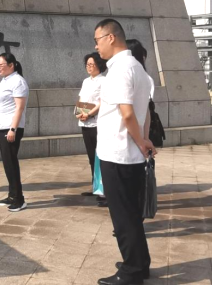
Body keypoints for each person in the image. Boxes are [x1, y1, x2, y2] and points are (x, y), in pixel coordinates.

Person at [94, 19, 157, 285]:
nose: (96, 47)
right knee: (131, 213)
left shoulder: (120, 70)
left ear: (110, 37)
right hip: (128, 154)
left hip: (118, 153)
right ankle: (140, 264)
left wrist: (141, 141)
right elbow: (145, 112)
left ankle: (132, 271)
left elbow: (128, 113)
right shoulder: (137, 68)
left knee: (123, 217)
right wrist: (143, 139)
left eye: (97, 40)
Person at [0, 53, 29, 212]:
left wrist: (13, 129)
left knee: (11, 163)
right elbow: (3, 104)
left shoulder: (18, 81)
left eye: (1, 64)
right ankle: (12, 195)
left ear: (11, 65)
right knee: (7, 163)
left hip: (10, 127)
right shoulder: (5, 80)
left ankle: (19, 199)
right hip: (1, 125)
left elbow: (19, 107)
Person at [77, 52, 107, 208]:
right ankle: (96, 186)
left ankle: (104, 191)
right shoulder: (85, 81)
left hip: (97, 123)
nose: (89, 67)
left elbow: (102, 102)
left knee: (100, 157)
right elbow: (81, 100)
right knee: (91, 157)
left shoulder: (104, 81)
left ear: (99, 65)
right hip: (85, 123)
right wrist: (79, 113)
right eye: (87, 64)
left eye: (92, 64)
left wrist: (89, 114)